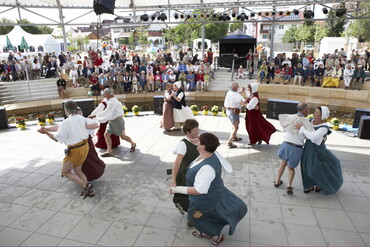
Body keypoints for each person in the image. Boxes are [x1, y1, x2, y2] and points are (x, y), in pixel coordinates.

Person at [170, 133, 248, 246]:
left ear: (204, 147)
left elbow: (199, 190)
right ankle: (206, 232)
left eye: (199, 141)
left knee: (195, 218)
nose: (196, 141)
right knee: (208, 216)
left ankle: (217, 235)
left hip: (204, 199)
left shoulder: (207, 168)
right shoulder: (209, 154)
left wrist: (176, 189)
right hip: (214, 192)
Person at [38, 101, 97, 199]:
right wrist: (47, 129)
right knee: (78, 170)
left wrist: (46, 133)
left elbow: (57, 138)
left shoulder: (66, 122)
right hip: (85, 146)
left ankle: (87, 186)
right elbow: (61, 127)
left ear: (66, 110)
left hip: (75, 150)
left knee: (65, 172)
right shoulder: (80, 118)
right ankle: (89, 190)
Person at [295, 106, 343, 194]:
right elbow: (306, 135)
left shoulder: (324, 127)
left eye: (317, 113)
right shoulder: (310, 121)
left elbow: (313, 136)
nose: (314, 114)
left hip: (318, 150)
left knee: (316, 168)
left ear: (322, 116)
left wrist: (303, 130)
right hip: (308, 147)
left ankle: (319, 183)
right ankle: (309, 185)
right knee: (306, 167)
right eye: (315, 112)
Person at [274, 102, 314, 194]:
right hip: (296, 147)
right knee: (291, 168)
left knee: (283, 163)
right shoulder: (305, 121)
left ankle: (277, 181)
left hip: (286, 144)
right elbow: (311, 135)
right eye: (308, 110)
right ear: (304, 110)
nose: (308, 111)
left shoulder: (289, 117)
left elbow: (283, 125)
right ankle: (289, 185)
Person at [88, 88, 136, 156]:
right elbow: (101, 108)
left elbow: (106, 112)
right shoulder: (110, 99)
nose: (104, 96)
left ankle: (133, 143)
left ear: (108, 94)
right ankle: (109, 150)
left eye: (105, 94)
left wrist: (94, 116)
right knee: (106, 135)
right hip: (112, 121)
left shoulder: (112, 102)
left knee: (123, 136)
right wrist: (93, 115)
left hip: (117, 121)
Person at [170, 119, 200, 215]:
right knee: (187, 196)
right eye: (195, 130)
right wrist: (173, 180)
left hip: (197, 173)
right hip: (186, 174)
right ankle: (191, 216)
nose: (197, 131)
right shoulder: (183, 144)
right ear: (188, 132)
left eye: (197, 129)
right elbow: (177, 163)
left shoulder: (199, 139)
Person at [224, 82, 244, 148]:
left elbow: (236, 94)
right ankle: (229, 142)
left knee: (235, 124)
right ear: (235, 87)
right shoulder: (235, 94)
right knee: (236, 127)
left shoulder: (229, 92)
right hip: (233, 111)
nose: (238, 87)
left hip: (229, 110)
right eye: (237, 87)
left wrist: (241, 91)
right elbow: (241, 101)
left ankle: (234, 137)